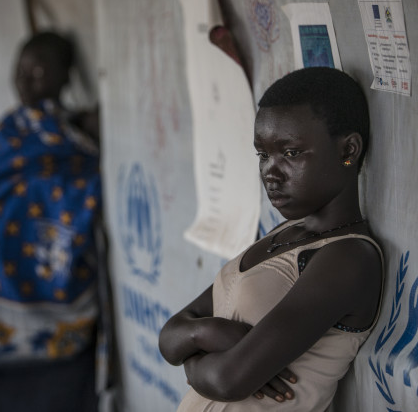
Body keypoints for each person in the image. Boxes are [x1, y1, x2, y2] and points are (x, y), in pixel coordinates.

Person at [159, 67, 384, 411]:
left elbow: (228, 380)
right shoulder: (285, 234)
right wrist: (209, 336)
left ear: (347, 149)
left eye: (291, 153)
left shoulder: (348, 257)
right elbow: (171, 336)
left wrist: (194, 356)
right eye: (263, 154)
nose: (270, 172)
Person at [0, 32, 107, 412]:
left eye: (39, 70)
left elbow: (82, 185)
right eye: (20, 69)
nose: (26, 80)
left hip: (59, 340)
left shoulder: (80, 132)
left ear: (66, 76)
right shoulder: (11, 131)